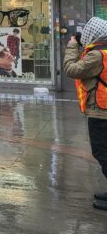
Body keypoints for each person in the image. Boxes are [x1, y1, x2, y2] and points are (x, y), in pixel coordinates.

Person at [63, 17, 107, 211]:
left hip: (101, 111)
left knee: (102, 152)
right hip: (103, 108)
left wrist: (72, 47)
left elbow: (71, 69)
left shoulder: (97, 56)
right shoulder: (101, 52)